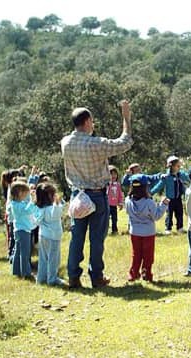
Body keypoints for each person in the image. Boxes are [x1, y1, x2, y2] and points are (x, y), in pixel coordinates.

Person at [61, 100, 133, 289]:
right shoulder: (95, 144)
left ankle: (73, 276)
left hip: (77, 195)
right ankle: (96, 276)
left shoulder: (65, 142)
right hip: (96, 195)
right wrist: (126, 117)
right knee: (96, 239)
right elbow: (124, 142)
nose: (93, 125)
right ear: (87, 122)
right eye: (92, 121)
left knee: (77, 237)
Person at [125, 174, 169, 282]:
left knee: (136, 254)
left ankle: (133, 274)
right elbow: (156, 216)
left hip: (134, 232)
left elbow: (128, 213)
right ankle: (147, 274)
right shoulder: (149, 202)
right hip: (148, 233)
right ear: (145, 187)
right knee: (148, 255)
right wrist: (163, 205)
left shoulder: (128, 200)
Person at [35, 183, 66, 286]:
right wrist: (57, 203)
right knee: (54, 259)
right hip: (53, 237)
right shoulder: (52, 208)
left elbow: (36, 220)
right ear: (50, 196)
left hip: (43, 235)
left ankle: (41, 278)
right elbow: (56, 214)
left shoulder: (40, 208)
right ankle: (52, 279)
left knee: (43, 258)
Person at [150, 156, 189, 235]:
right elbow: (159, 186)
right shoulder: (166, 177)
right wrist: (150, 193)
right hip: (169, 199)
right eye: (178, 166)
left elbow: (188, 177)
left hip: (178, 198)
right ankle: (168, 228)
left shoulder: (180, 174)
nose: (179, 167)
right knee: (169, 214)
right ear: (172, 166)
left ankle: (180, 228)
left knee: (179, 213)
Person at [8, 180, 38, 279]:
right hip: (23, 231)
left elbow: (28, 209)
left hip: (19, 230)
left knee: (18, 252)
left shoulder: (16, 203)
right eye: (26, 193)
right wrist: (33, 201)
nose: (27, 195)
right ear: (20, 193)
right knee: (24, 253)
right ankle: (26, 273)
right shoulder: (17, 205)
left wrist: (31, 200)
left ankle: (16, 270)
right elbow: (28, 210)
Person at [107, 165, 124, 234]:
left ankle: (114, 230)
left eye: (115, 174)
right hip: (107, 204)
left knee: (114, 218)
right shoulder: (106, 184)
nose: (113, 176)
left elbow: (120, 194)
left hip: (114, 205)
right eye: (111, 174)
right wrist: (109, 184)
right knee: (106, 218)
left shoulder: (118, 185)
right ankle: (104, 230)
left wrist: (120, 203)